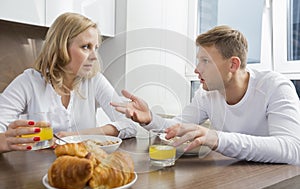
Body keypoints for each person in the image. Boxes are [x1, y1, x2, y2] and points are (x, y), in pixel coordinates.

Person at [111, 25, 300, 165]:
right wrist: (150, 118)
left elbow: (291, 149)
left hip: (278, 183)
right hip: (233, 177)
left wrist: (217, 138)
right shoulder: (206, 94)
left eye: (205, 61)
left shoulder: (275, 87)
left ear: (233, 65)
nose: (196, 69)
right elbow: (178, 127)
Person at [0, 12, 136, 153]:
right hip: (37, 171)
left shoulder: (94, 81)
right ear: (61, 48)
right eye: (85, 47)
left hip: (86, 167)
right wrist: (6, 142)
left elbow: (130, 125)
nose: (94, 56)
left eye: (95, 48)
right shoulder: (29, 82)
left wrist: (78, 135)